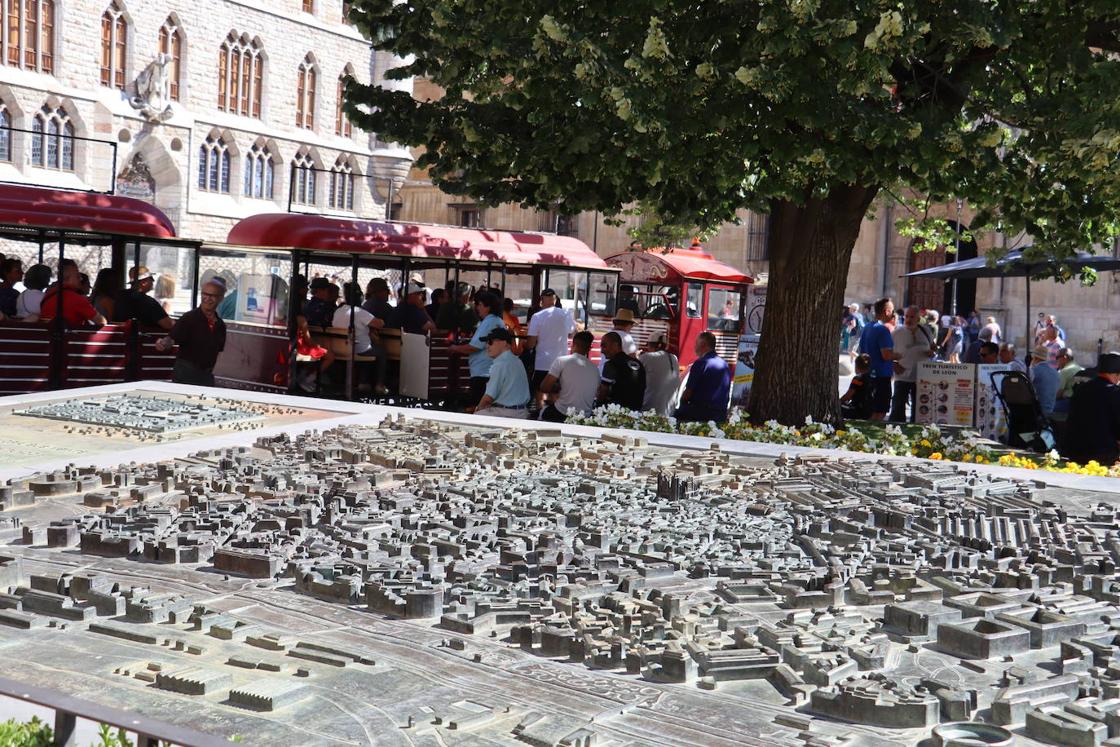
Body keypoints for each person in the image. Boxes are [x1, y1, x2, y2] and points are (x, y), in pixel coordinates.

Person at [155, 279, 226, 386]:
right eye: (204, 294)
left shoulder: (220, 325)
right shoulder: (189, 318)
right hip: (186, 374)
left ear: (220, 298)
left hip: (206, 375)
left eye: (212, 296)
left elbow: (219, 352)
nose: (207, 299)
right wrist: (163, 343)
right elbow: (172, 337)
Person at [1063, 352, 1120, 466]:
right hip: (1102, 454)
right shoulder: (1115, 392)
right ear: (1117, 375)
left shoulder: (1081, 389)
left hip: (1074, 452)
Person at [333, 281, 388, 394]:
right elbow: (379, 324)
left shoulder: (338, 311)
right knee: (381, 351)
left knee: (368, 346)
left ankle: (364, 382)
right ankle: (379, 385)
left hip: (339, 347)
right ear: (359, 297)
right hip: (357, 348)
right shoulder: (359, 312)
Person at [450, 291, 504, 406]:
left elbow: (475, 347)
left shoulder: (489, 322)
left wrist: (455, 348)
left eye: (479, 304)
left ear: (487, 306)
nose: (477, 307)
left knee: (479, 408)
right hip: (489, 371)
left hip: (483, 373)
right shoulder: (496, 321)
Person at [525, 288, 576, 403]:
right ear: (555, 299)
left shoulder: (537, 316)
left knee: (540, 391)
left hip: (542, 362)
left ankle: (540, 416)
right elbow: (572, 333)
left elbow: (531, 343)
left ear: (542, 301)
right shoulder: (566, 314)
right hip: (561, 361)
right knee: (556, 392)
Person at [538, 330, 600, 422]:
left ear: (573, 344)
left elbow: (544, 388)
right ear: (589, 349)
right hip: (585, 418)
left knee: (542, 412)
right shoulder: (596, 369)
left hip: (562, 413)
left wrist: (558, 387)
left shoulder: (561, 361)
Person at [889, 305, 935, 422]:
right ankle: (895, 432)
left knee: (919, 409)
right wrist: (894, 364)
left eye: (912, 317)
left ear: (918, 319)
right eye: (907, 317)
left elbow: (933, 348)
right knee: (898, 408)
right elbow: (887, 352)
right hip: (902, 375)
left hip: (921, 377)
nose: (908, 320)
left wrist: (932, 353)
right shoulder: (896, 333)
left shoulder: (926, 331)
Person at [472, 327, 531, 419]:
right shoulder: (517, 361)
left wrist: (477, 409)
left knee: (475, 417)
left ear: (504, 343)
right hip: (522, 412)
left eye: (490, 342)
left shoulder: (500, 364)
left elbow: (488, 398)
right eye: (487, 342)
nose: (487, 346)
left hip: (506, 413)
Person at [675, 331, 732, 422]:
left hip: (701, 414)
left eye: (696, 343)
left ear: (703, 345)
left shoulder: (701, 363)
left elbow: (688, 392)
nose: (695, 347)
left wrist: (682, 403)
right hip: (720, 414)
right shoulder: (725, 364)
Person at [857, 297, 898, 420]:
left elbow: (861, 350)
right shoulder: (883, 330)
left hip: (869, 373)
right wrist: (901, 355)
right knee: (880, 412)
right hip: (881, 376)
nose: (893, 314)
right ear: (886, 312)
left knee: (871, 409)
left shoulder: (868, 327)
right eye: (892, 310)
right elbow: (886, 355)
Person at [39, 261, 106, 327]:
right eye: (77, 276)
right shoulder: (76, 299)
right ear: (67, 279)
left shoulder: (49, 294)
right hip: (70, 336)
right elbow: (101, 321)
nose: (81, 278)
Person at [113, 266, 172, 330]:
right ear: (144, 282)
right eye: (151, 278)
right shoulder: (148, 302)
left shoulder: (119, 295)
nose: (153, 280)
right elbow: (168, 325)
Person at [597, 331, 646, 410]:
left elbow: (603, 393)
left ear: (615, 345)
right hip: (636, 414)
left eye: (604, 346)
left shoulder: (611, 364)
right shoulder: (638, 363)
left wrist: (597, 405)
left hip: (617, 415)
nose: (602, 351)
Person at [640, 333, 680, 416]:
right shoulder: (674, 358)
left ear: (657, 345)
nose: (648, 348)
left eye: (649, 345)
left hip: (649, 410)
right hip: (670, 412)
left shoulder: (646, 357)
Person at [1029, 345, 1060, 417]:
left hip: (1036, 413)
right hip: (1050, 413)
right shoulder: (1056, 373)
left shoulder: (1033, 371)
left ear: (1034, 358)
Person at [841, 354, 874, 420]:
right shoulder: (872, 379)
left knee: (838, 407)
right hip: (869, 411)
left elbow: (848, 396)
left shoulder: (857, 379)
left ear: (856, 366)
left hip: (856, 410)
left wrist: (838, 401)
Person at [1054, 347, 1084, 413]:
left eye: (1057, 358)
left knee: (1048, 407)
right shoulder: (1080, 368)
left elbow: (1058, 394)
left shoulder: (1065, 371)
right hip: (1082, 403)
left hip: (1069, 402)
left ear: (1064, 357)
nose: (1056, 361)